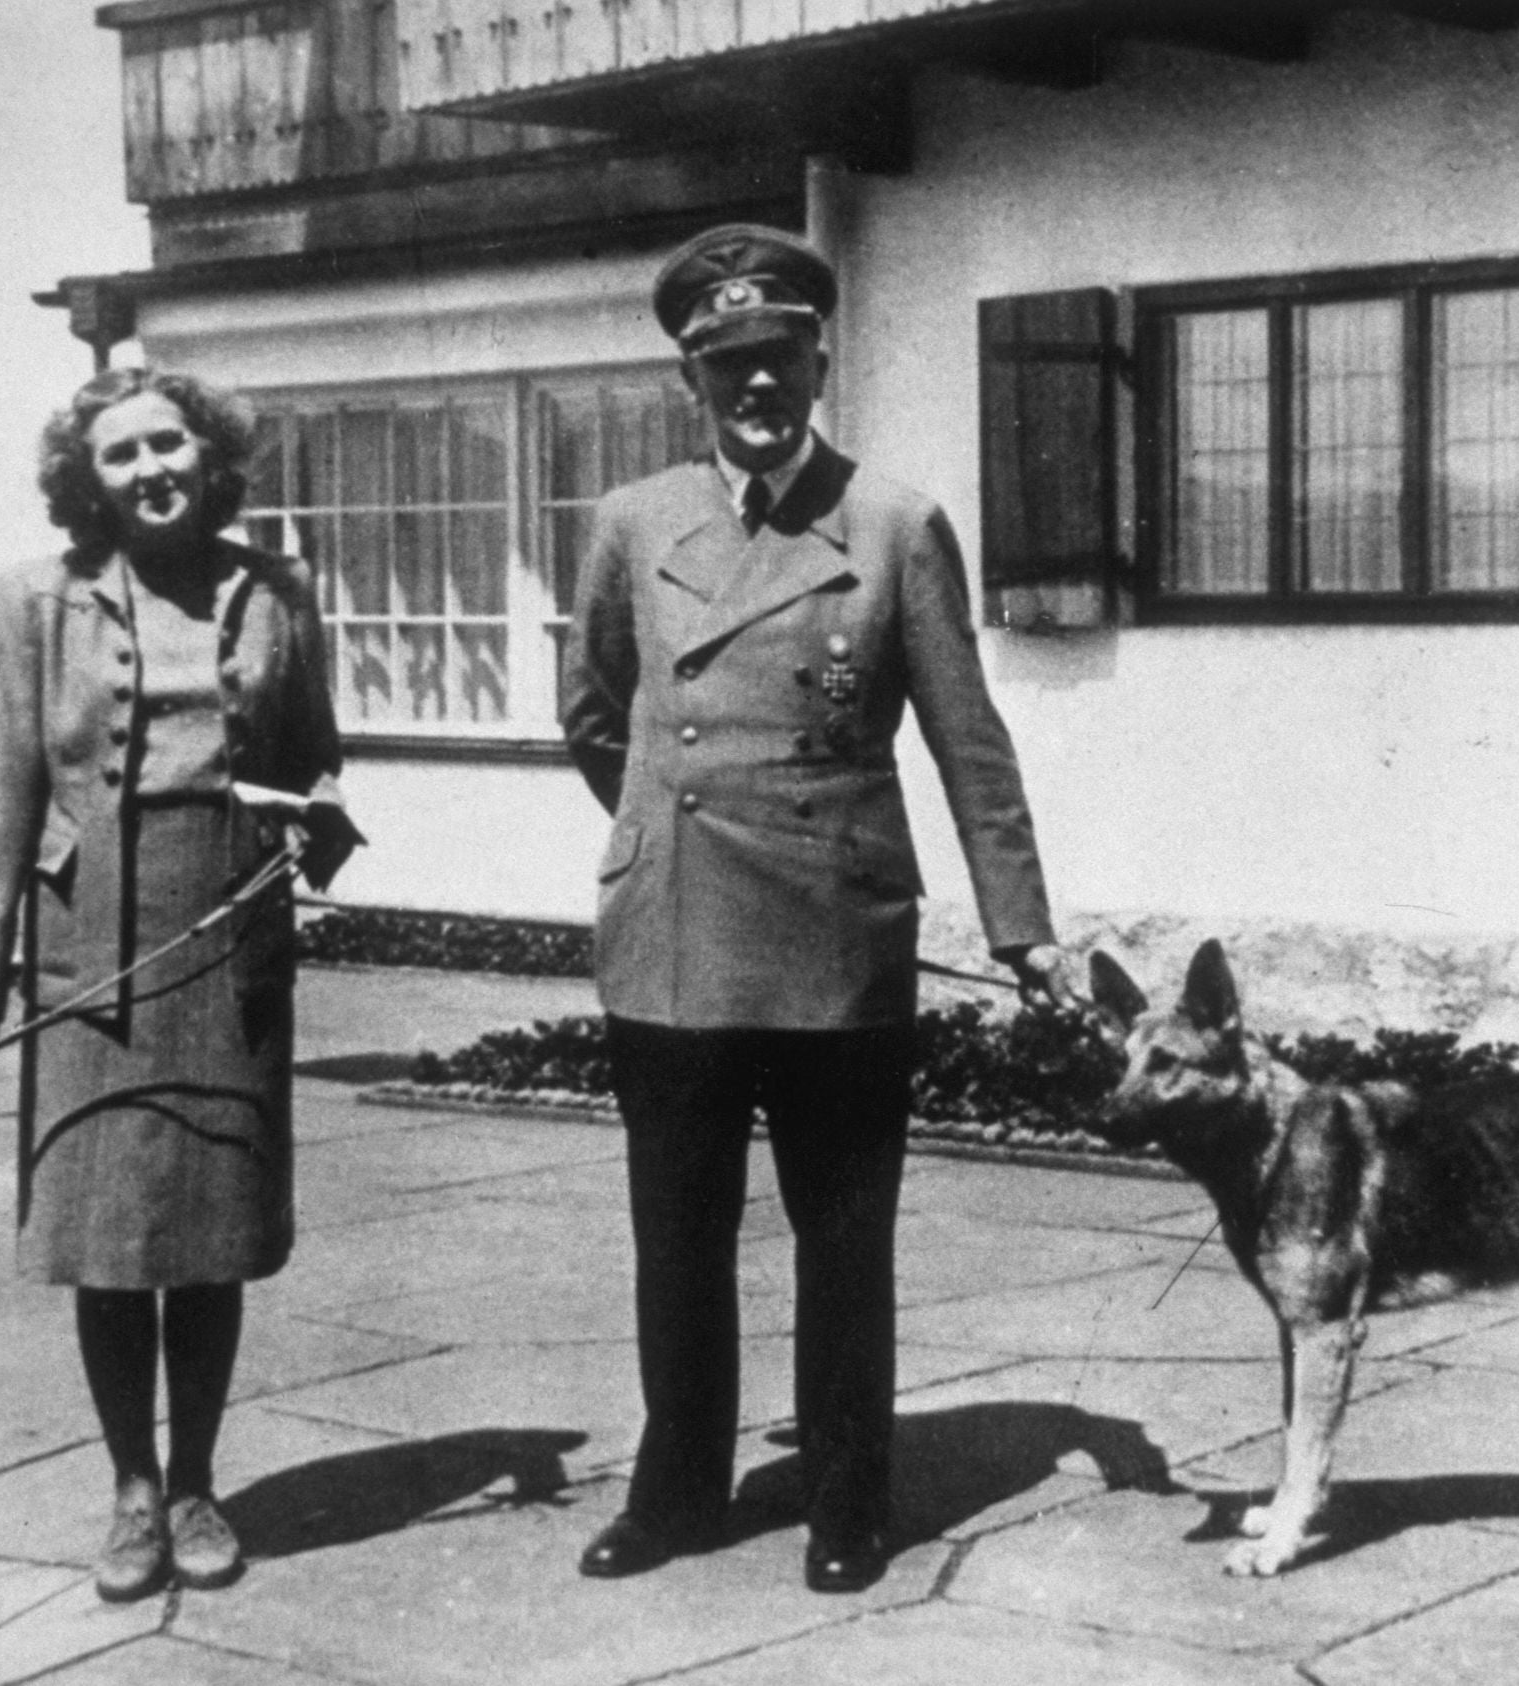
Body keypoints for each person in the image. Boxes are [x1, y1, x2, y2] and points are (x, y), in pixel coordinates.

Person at [560, 224, 1076, 1594]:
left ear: (817, 358)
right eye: (728, 364)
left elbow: (964, 740)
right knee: (675, 1235)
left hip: (833, 935)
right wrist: (659, 819)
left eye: (779, 358)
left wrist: (1018, 923)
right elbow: (593, 709)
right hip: (671, 929)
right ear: (691, 376)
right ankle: (675, 1490)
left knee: (842, 1234)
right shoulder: (630, 523)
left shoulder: (892, 523)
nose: (757, 387)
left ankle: (848, 1494)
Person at [0, 365, 358, 1602]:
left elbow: (317, 757)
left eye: (168, 445)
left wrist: (319, 819)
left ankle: (197, 1484)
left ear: (208, 455)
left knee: (206, 1237)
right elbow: (1, 804)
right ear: (89, 482)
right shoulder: (33, 601)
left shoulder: (277, 590)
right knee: (110, 1242)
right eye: (121, 456)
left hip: (226, 946)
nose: (151, 469)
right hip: (87, 950)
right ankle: (128, 1489)